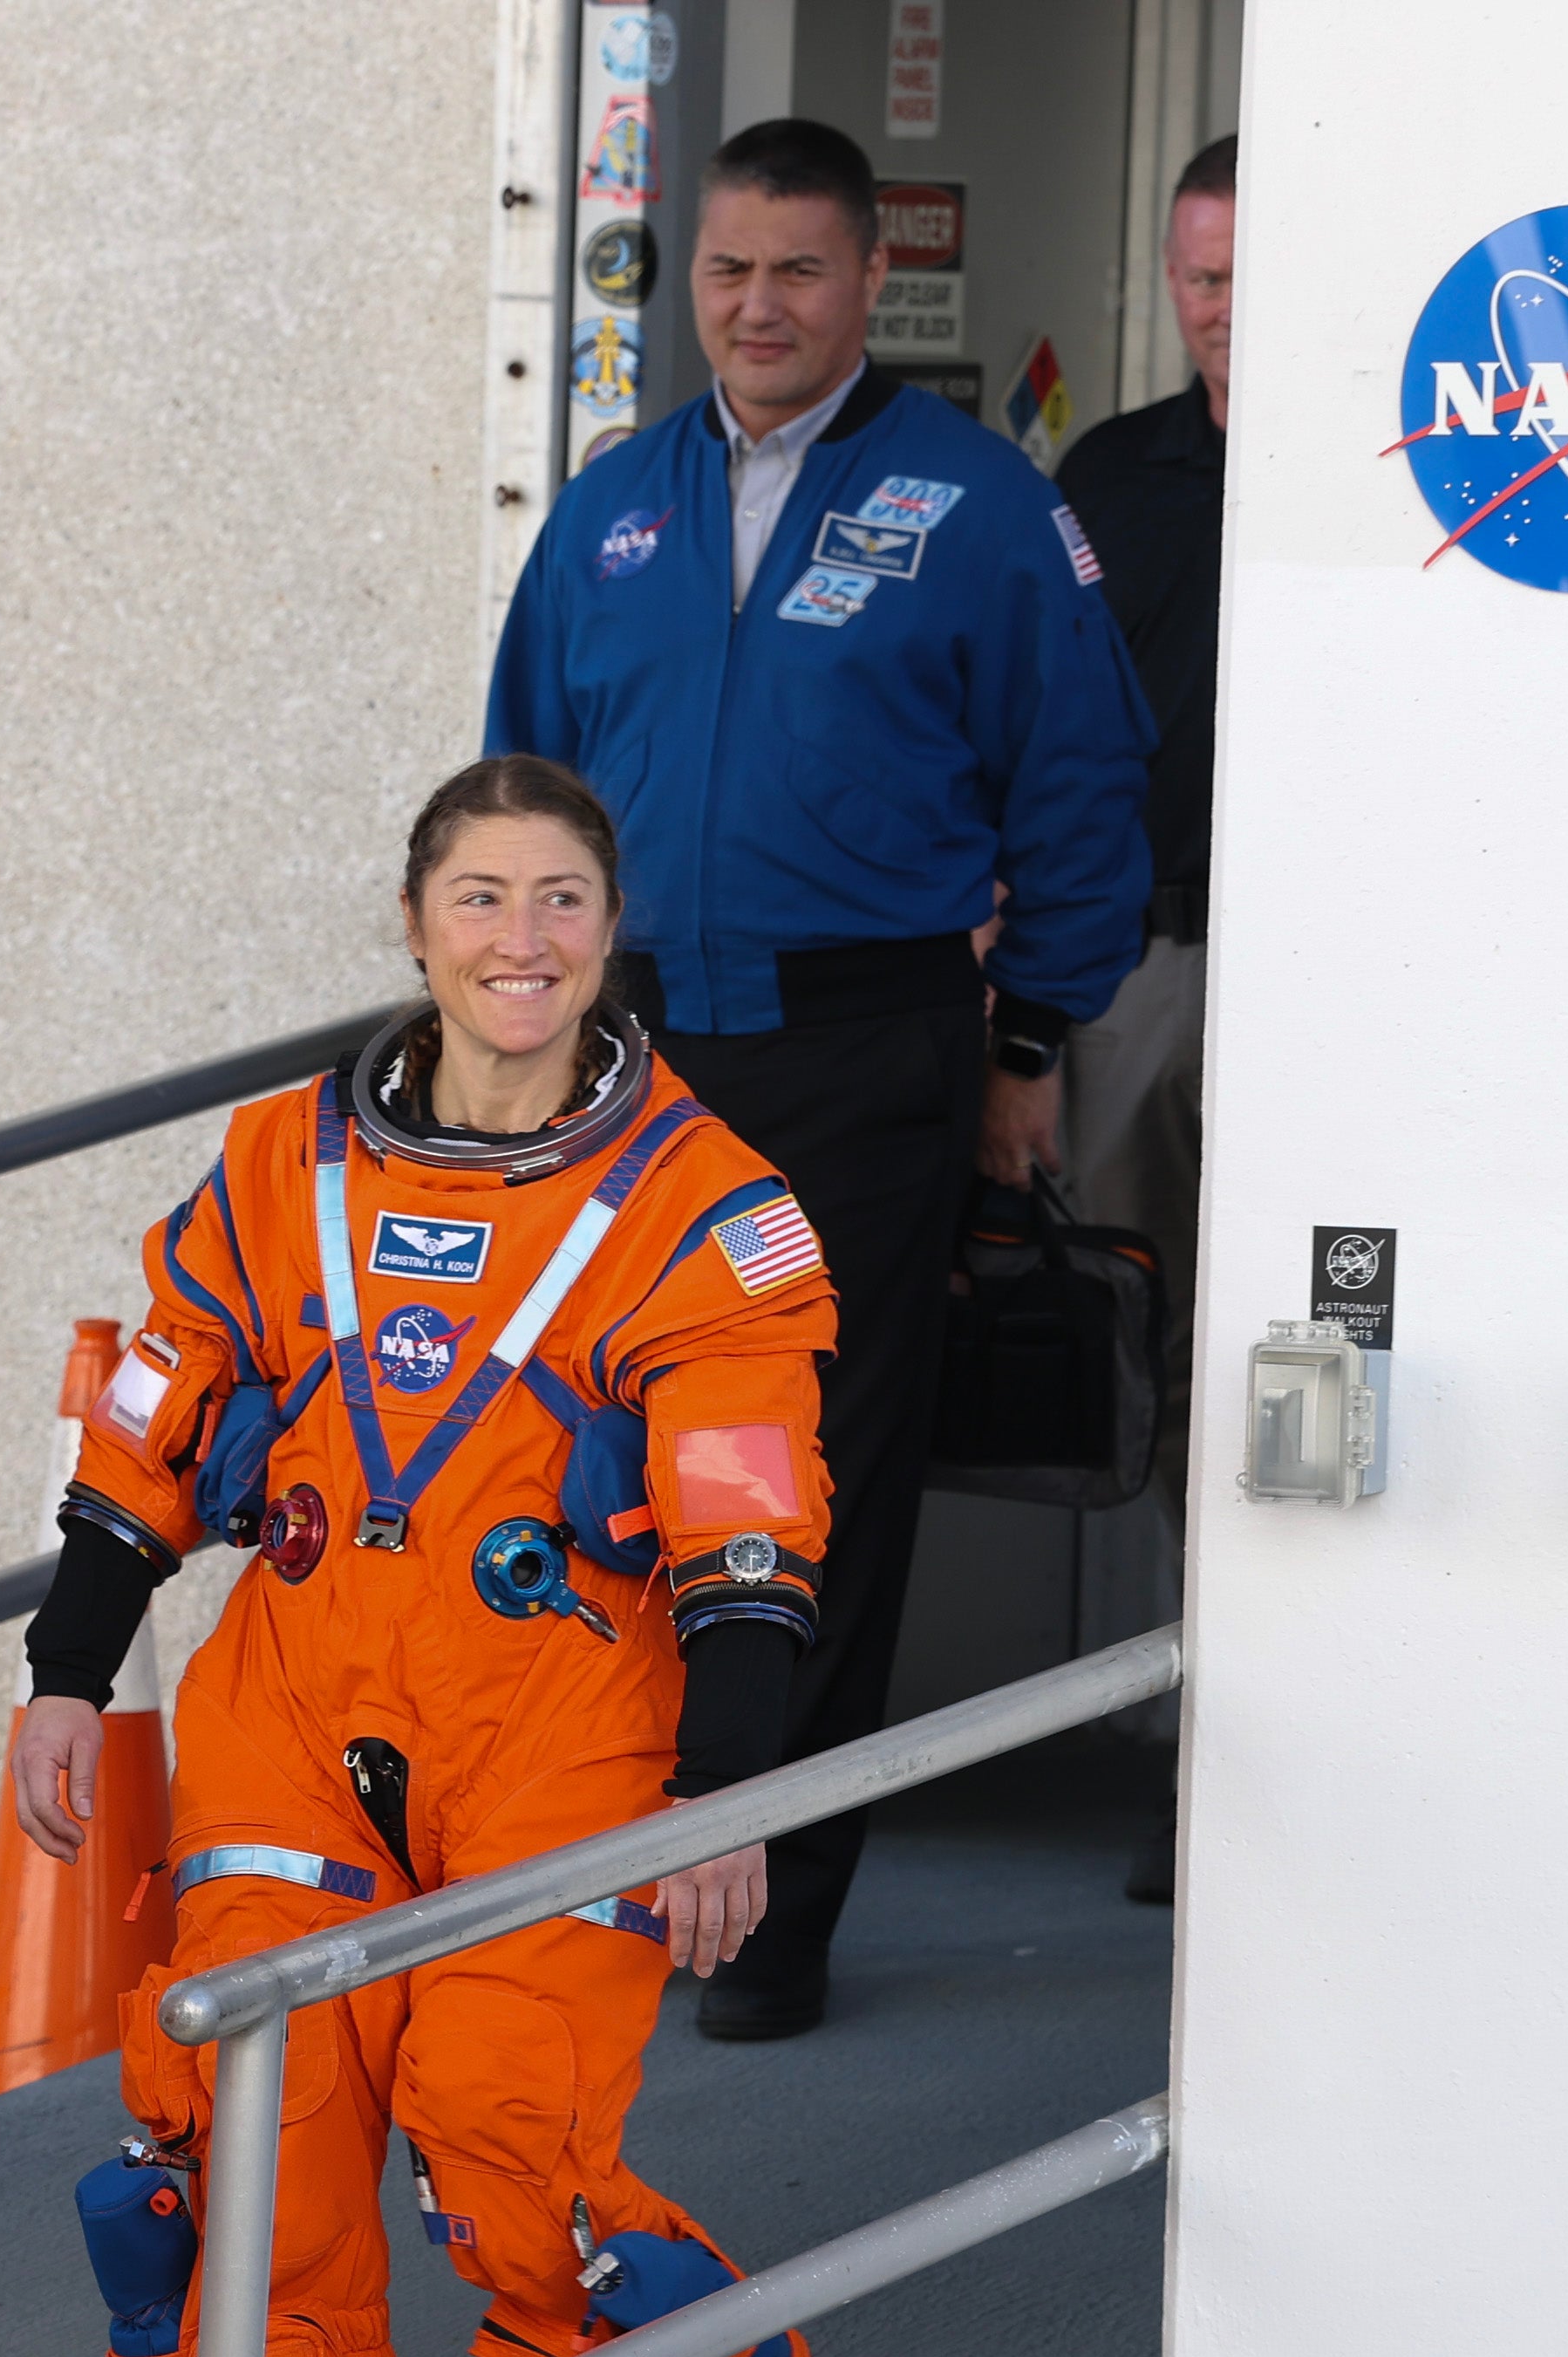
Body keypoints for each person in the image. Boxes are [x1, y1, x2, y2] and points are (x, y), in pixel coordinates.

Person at [11, 757, 832, 2357]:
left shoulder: (701, 1204)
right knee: (246, 2151)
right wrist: (63, 1671)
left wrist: (724, 1792)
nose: (521, 941)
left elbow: (747, 1505)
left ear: (609, 928)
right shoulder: (281, 1163)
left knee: (504, 2129)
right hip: (294, 1707)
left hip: (564, 1724)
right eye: (482, 896)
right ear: (414, 922)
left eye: (562, 900)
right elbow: (155, 1414)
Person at [484, 115, 1157, 2039]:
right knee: (589, 1447)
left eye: (794, 270)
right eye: (724, 270)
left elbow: (1083, 795)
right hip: (625, 1055)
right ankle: (594, 1850)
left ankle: (768, 1901)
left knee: (803, 1475)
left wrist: (1027, 1037)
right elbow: (523, 781)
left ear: (868, 281)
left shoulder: (980, 505)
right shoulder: (613, 508)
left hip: (864, 1052)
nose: (754, 306)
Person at [1053, 133, 1233, 1907]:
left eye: (1253, 277)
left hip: (1359, 979)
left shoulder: (1412, 465)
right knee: (1162, 1365)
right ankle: (1203, 1756)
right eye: (1199, 279)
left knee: (1307, 1368)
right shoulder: (1109, 473)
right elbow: (1028, 725)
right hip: (1143, 970)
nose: (1223, 313)